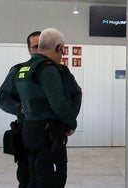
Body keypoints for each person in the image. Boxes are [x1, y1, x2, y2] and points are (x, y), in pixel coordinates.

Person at [15, 28, 80, 188]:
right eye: (62, 49)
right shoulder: (47, 69)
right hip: (47, 134)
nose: (63, 54)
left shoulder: (25, 68)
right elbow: (58, 103)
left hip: (29, 130)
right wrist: (71, 123)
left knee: (35, 177)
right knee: (51, 179)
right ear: (58, 48)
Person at [0, 31, 41, 188]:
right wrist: (20, 108)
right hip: (26, 135)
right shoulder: (18, 71)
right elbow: (1, 97)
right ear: (29, 50)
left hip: (52, 139)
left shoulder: (58, 72)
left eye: (43, 46)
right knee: (27, 178)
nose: (39, 50)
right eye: (35, 47)